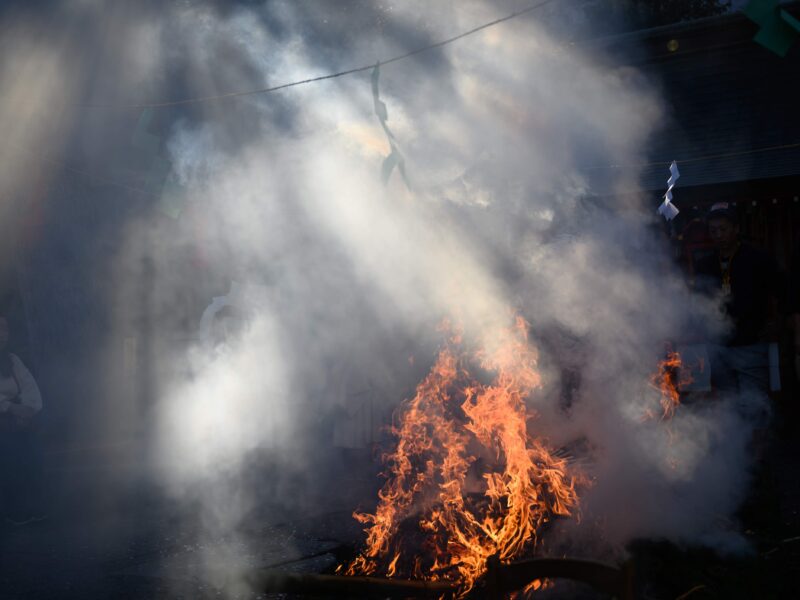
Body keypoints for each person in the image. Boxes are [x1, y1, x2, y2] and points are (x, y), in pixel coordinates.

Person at [693, 202, 782, 422]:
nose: (719, 235)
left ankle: (758, 454)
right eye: (714, 230)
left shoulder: (758, 258)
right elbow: (698, 301)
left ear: (736, 229)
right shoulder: (705, 265)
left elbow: (783, 291)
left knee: (754, 404)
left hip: (751, 345)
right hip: (719, 348)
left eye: (723, 229)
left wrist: (779, 322)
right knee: (727, 405)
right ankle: (736, 453)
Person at [0, 314, 44, 525]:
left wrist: (27, 408)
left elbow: (29, 387)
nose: (2, 334)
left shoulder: (12, 360)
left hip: (17, 418)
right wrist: (10, 407)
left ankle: (30, 505)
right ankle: (11, 510)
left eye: (4, 329)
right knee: (8, 455)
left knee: (31, 453)